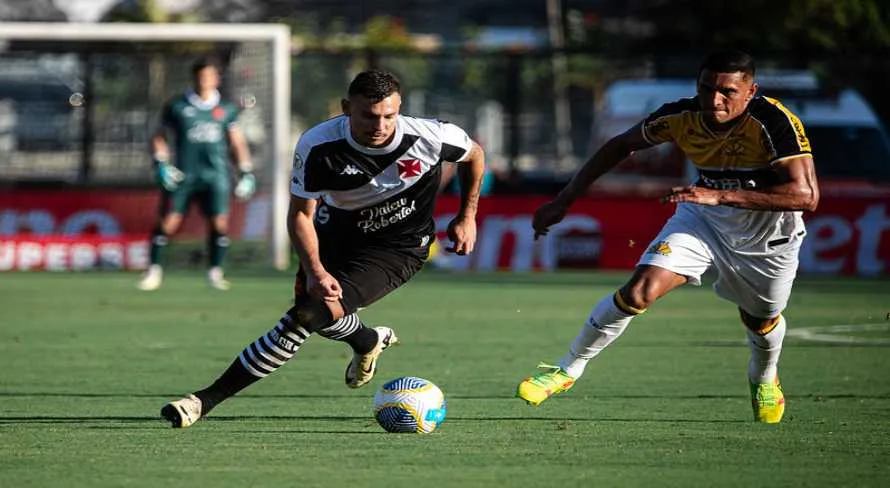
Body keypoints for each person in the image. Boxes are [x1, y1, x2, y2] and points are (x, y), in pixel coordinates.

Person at [160, 69, 486, 428]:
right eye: (369, 115)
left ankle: (202, 401)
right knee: (315, 314)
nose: (380, 125)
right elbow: (301, 214)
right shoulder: (318, 145)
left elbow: (475, 155)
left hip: (399, 247)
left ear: (399, 108)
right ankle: (367, 339)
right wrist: (316, 269)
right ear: (347, 108)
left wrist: (466, 215)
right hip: (333, 238)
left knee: (305, 318)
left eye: (389, 115)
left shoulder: (432, 136)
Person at [516, 50, 819, 424]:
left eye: (727, 91)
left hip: (767, 234)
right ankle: (567, 369)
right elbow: (619, 145)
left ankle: (764, 377)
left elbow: (806, 196)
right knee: (638, 291)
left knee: (760, 320)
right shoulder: (680, 116)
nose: (714, 100)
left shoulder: (773, 122)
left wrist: (721, 194)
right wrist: (564, 200)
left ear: (751, 91)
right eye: (706, 88)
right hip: (702, 218)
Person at [137, 56, 256, 291]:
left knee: (219, 225)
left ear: (216, 79)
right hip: (183, 175)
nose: (205, 81)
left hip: (215, 176)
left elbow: (236, 143)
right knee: (168, 223)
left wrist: (245, 171)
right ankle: (153, 271)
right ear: (194, 78)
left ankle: (215, 272)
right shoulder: (178, 106)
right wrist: (161, 162)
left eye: (210, 76)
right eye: (201, 77)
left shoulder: (226, 109)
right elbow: (158, 137)